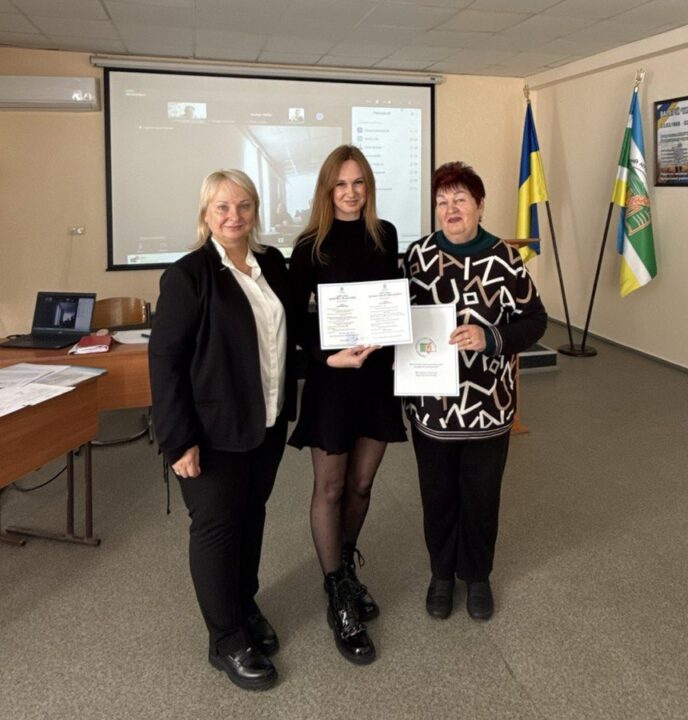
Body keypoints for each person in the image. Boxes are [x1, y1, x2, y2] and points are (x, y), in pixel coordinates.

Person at [149, 169, 296, 692]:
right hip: (210, 432)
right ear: (206, 214)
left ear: (255, 210)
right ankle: (226, 639)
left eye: (244, 206)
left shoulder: (272, 264)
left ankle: (243, 604)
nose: (234, 216)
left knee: (251, 516)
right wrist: (177, 440)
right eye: (222, 207)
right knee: (216, 528)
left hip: (267, 421)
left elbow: (287, 337)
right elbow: (165, 362)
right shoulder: (188, 275)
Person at [403, 161, 547, 622]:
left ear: (480, 206)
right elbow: (397, 318)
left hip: (489, 406)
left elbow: (535, 321)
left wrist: (491, 337)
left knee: (482, 496)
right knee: (438, 496)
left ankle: (478, 575)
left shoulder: (504, 258)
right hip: (433, 409)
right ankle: (441, 575)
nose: (451, 209)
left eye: (460, 199)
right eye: (442, 201)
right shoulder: (417, 256)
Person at [288, 145, 406, 665]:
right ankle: (337, 592)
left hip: (376, 379)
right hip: (332, 380)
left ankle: (347, 568)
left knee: (361, 484)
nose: (350, 192)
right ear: (327, 189)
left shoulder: (386, 236)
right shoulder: (309, 245)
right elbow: (294, 321)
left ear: (368, 187)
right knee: (331, 487)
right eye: (341, 184)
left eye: (358, 183)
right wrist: (327, 357)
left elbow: (391, 300)